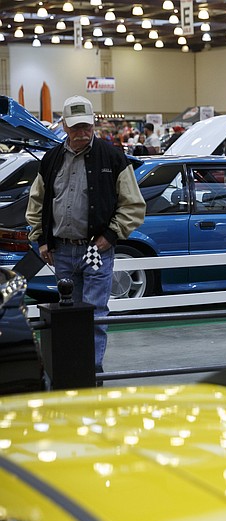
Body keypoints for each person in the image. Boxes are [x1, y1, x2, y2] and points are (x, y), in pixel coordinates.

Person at [26, 95, 146, 374]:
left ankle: (91, 370)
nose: (82, 133)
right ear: (64, 127)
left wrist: (111, 235)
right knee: (68, 312)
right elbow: (37, 202)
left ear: (93, 124)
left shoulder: (113, 157)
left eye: (86, 127)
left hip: (96, 250)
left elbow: (134, 205)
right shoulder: (52, 159)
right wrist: (42, 241)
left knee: (94, 311)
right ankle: (72, 369)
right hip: (62, 251)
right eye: (76, 128)